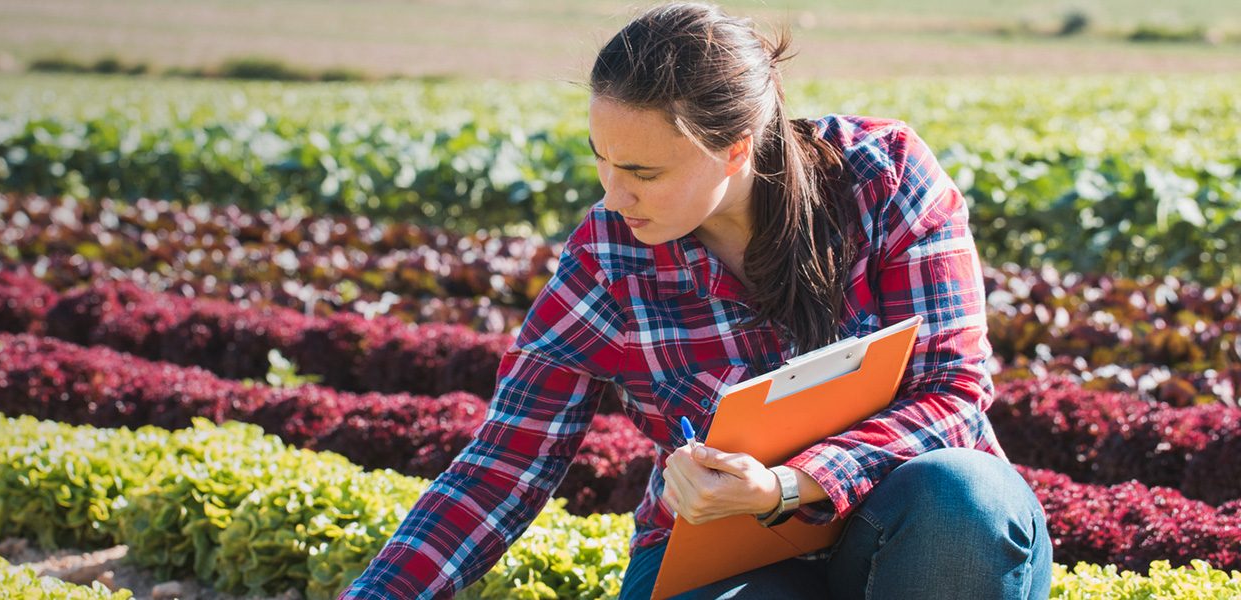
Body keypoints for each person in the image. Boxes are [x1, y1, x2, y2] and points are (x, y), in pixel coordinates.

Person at [339, 3, 1053, 599]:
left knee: (966, 496)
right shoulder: (608, 258)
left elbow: (954, 396)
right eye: (601, 159)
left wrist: (786, 484)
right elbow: (505, 461)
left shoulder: (883, 179)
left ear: (736, 149)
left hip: (917, 535)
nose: (613, 196)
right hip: (726, 561)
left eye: (643, 171)